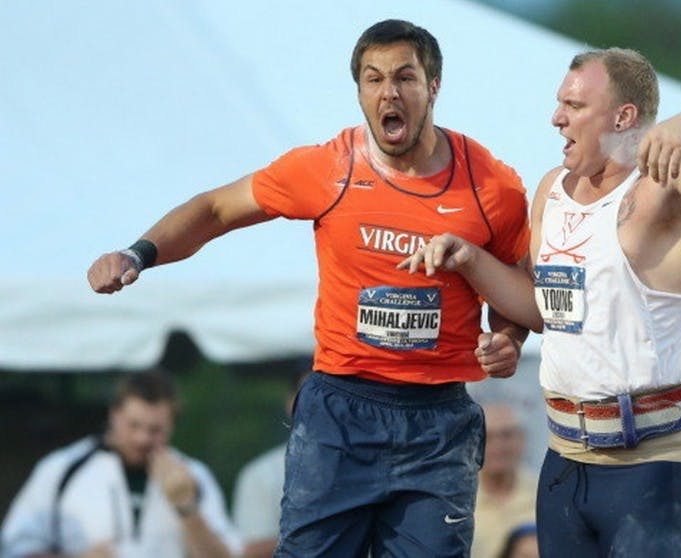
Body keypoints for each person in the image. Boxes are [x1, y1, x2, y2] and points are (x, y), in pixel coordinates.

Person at [87, 19, 531, 557]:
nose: (389, 92)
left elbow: (519, 287)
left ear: (433, 86)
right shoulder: (328, 169)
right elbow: (216, 209)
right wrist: (137, 254)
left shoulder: (491, 186)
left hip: (437, 421)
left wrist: (508, 338)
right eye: (374, 79)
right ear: (360, 91)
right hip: (342, 410)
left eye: (405, 77)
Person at [401, 47, 681, 556]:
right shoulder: (552, 189)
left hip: (655, 461)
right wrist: (472, 263)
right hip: (566, 459)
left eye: (574, 105)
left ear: (622, 117)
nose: (556, 118)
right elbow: (543, 310)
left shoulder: (667, 181)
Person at [0, 372, 241, 558]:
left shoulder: (193, 475)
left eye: (155, 430)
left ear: (172, 425)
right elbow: (13, 549)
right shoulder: (61, 468)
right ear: (114, 415)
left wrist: (187, 507)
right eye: (133, 425)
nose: (142, 438)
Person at [230, 371, 309, 558]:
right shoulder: (260, 474)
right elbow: (250, 551)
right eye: (309, 395)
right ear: (290, 403)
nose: (321, 406)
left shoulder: (370, 467)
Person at [471, 402, 537, 558]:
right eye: (488, 438)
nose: (498, 446)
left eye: (506, 435)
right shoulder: (456, 502)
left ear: (522, 440)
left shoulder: (545, 496)